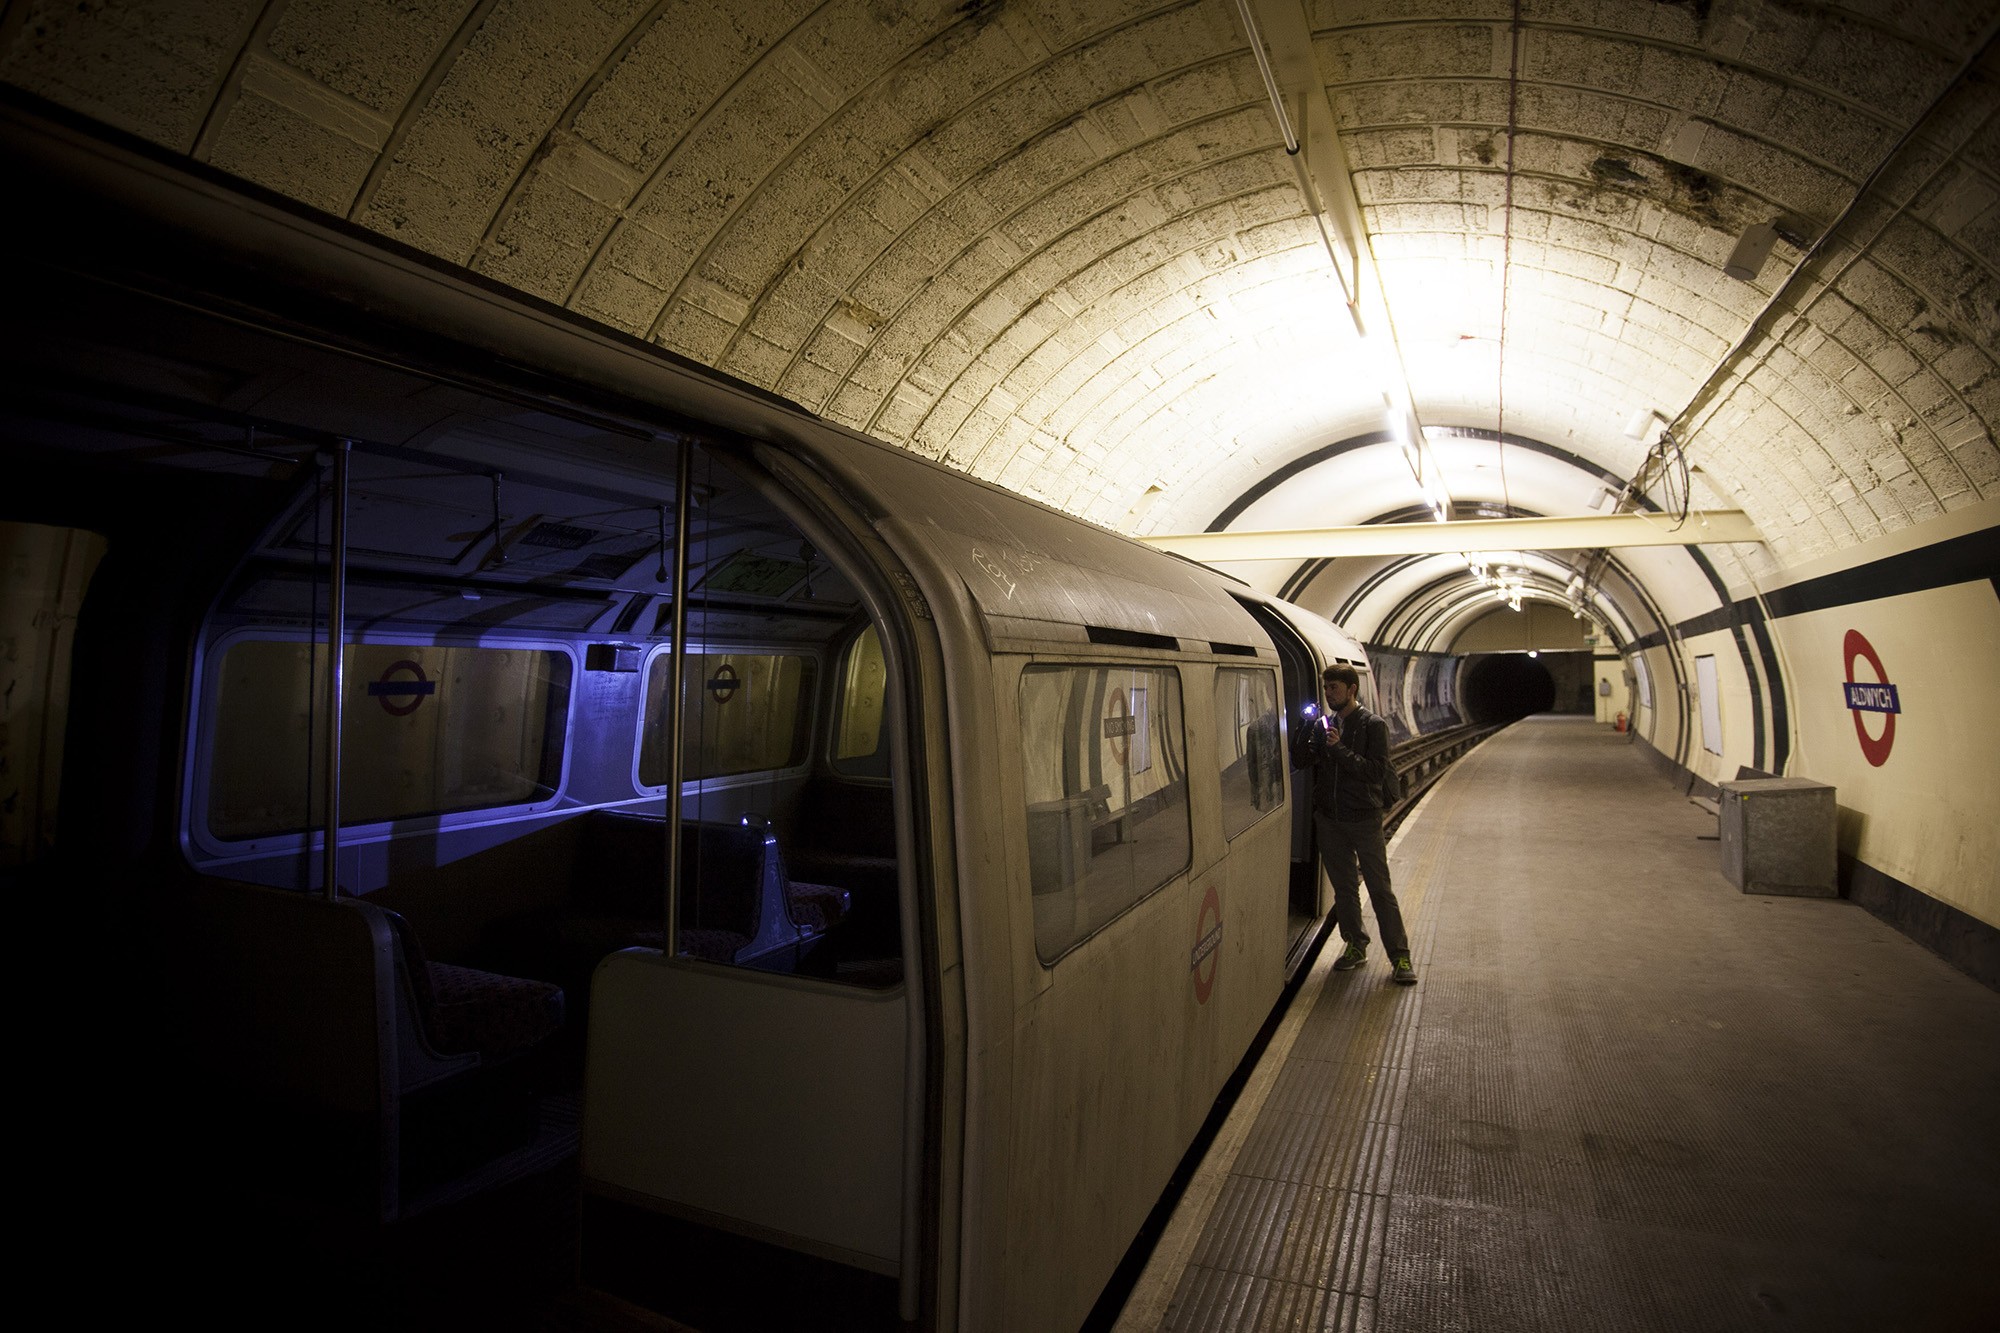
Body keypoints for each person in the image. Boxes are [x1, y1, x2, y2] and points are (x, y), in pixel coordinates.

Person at [1292, 663, 1417, 985]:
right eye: (1326, 688)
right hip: (1330, 819)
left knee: (1380, 889)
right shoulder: (1326, 724)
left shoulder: (1373, 725)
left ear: (1351, 689)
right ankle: (1355, 945)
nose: (1329, 694)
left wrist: (1340, 750)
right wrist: (1305, 726)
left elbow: (1375, 772)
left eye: (1334, 688)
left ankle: (1400, 956)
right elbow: (1301, 761)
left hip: (1363, 818)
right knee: (1345, 889)